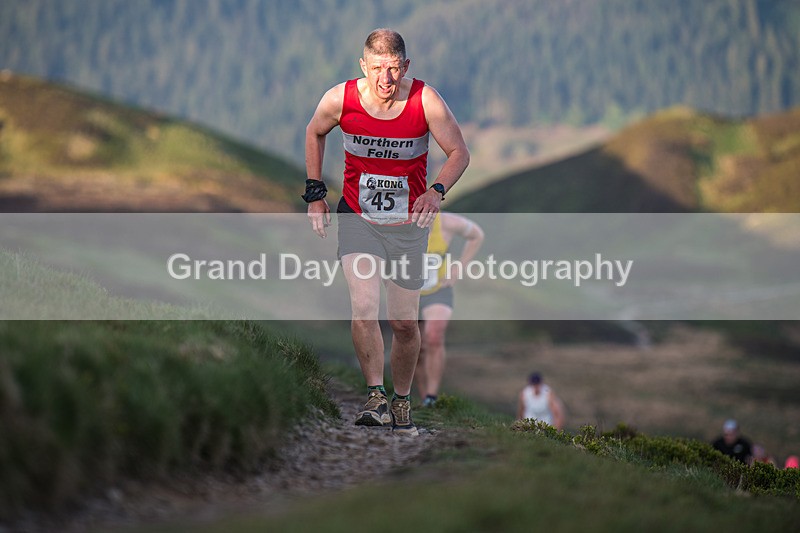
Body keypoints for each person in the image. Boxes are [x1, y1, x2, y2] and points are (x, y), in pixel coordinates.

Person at [304, 29, 470, 436]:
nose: (385, 79)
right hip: (358, 218)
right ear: (364, 66)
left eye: (394, 69)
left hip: (407, 227)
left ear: (406, 66)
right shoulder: (339, 99)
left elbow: (459, 152)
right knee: (364, 307)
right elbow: (315, 131)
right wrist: (314, 193)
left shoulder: (425, 100)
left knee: (404, 324)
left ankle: (401, 401)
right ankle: (376, 396)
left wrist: (436, 191)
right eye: (378, 68)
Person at [415, 212, 484, 407]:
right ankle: (423, 399)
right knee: (416, 347)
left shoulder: (447, 223)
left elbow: (477, 235)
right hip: (409, 292)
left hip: (438, 290)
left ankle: (432, 396)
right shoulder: (400, 219)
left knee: (434, 336)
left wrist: (459, 268)